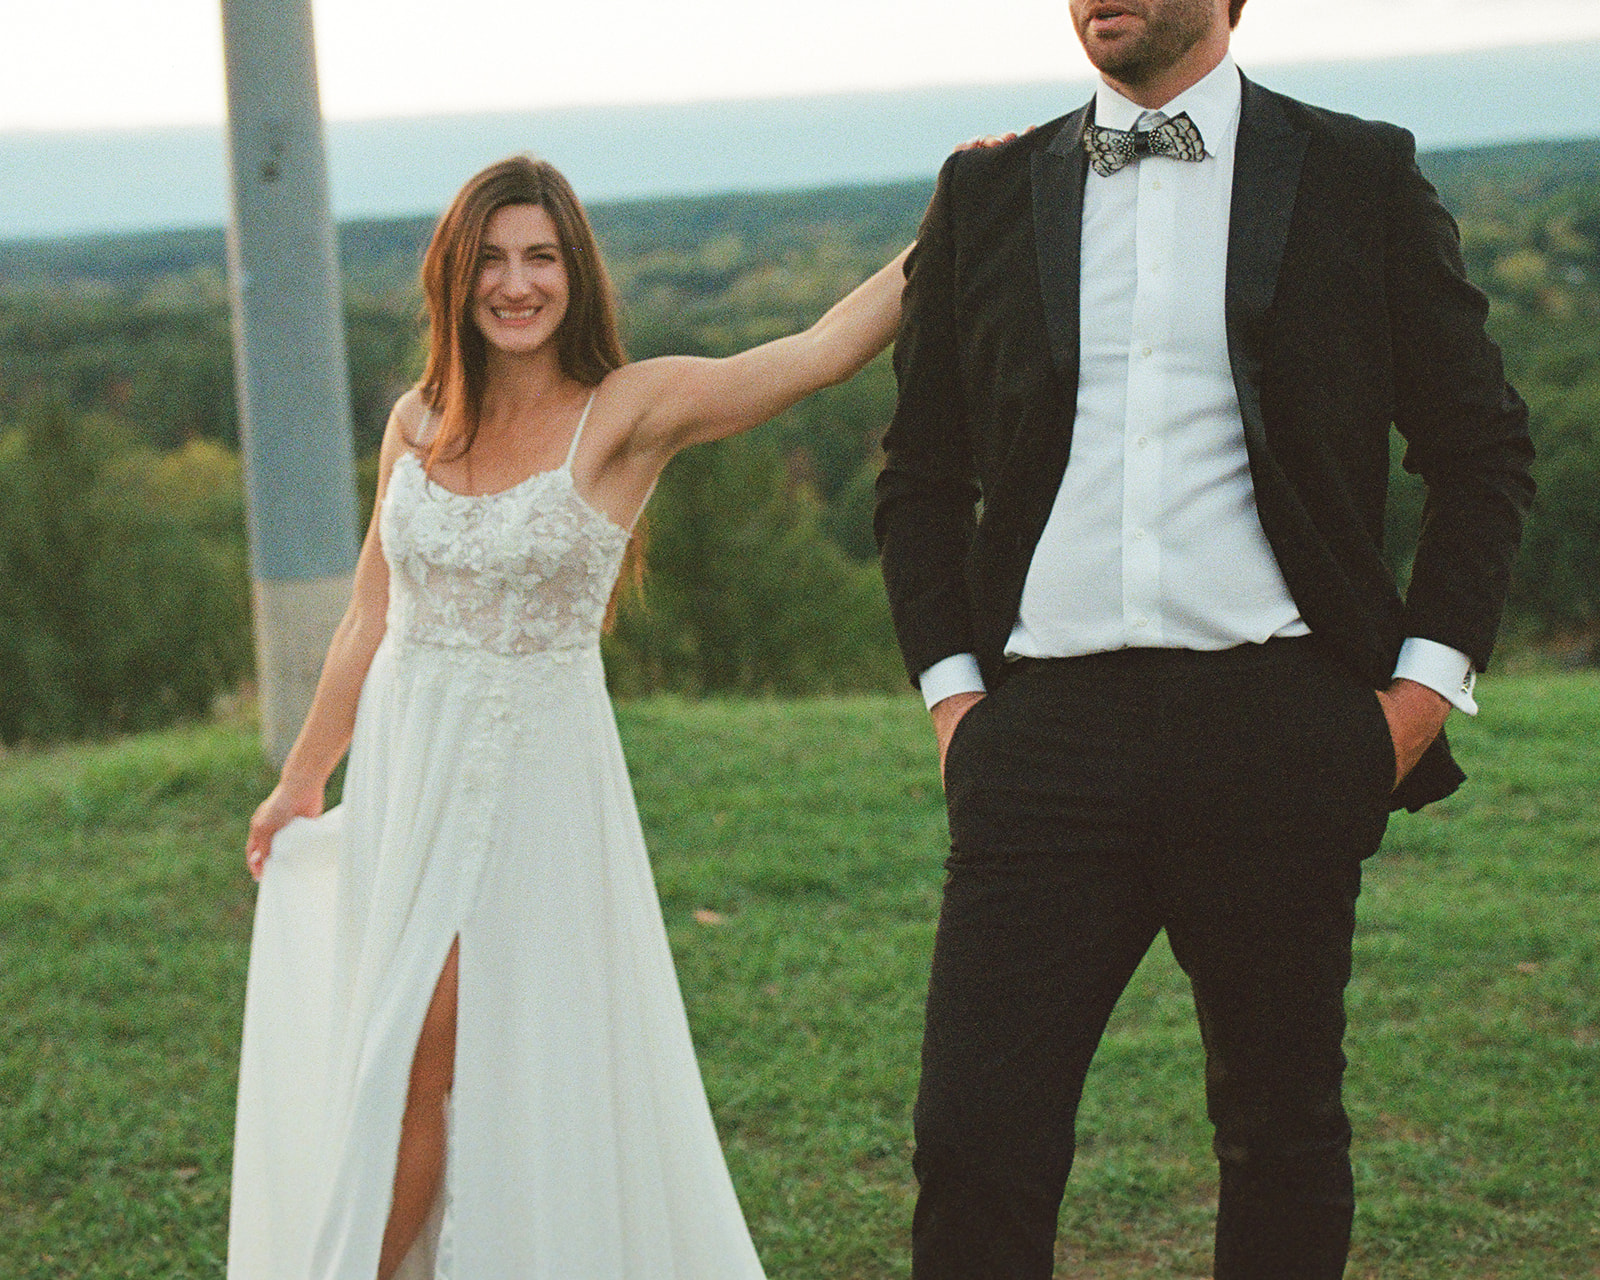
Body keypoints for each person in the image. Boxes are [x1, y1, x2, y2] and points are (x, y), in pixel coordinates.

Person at [873, 1, 1535, 1276]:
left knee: (1280, 1138)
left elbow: (1480, 447)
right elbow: (919, 470)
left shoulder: (1359, 173)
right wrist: (955, 699)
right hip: (1040, 740)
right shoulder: (986, 189)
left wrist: (1415, 698)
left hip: (1283, 723)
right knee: (972, 1140)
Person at [228, 154, 908, 1280]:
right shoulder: (420, 417)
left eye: (540, 255)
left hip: (530, 787)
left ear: (574, 272)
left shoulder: (624, 413)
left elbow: (814, 353)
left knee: (434, 1058)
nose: (516, 282)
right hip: (407, 773)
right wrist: (304, 775)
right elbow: (367, 614)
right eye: (492, 258)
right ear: (455, 275)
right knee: (408, 1059)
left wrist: (954, 214)